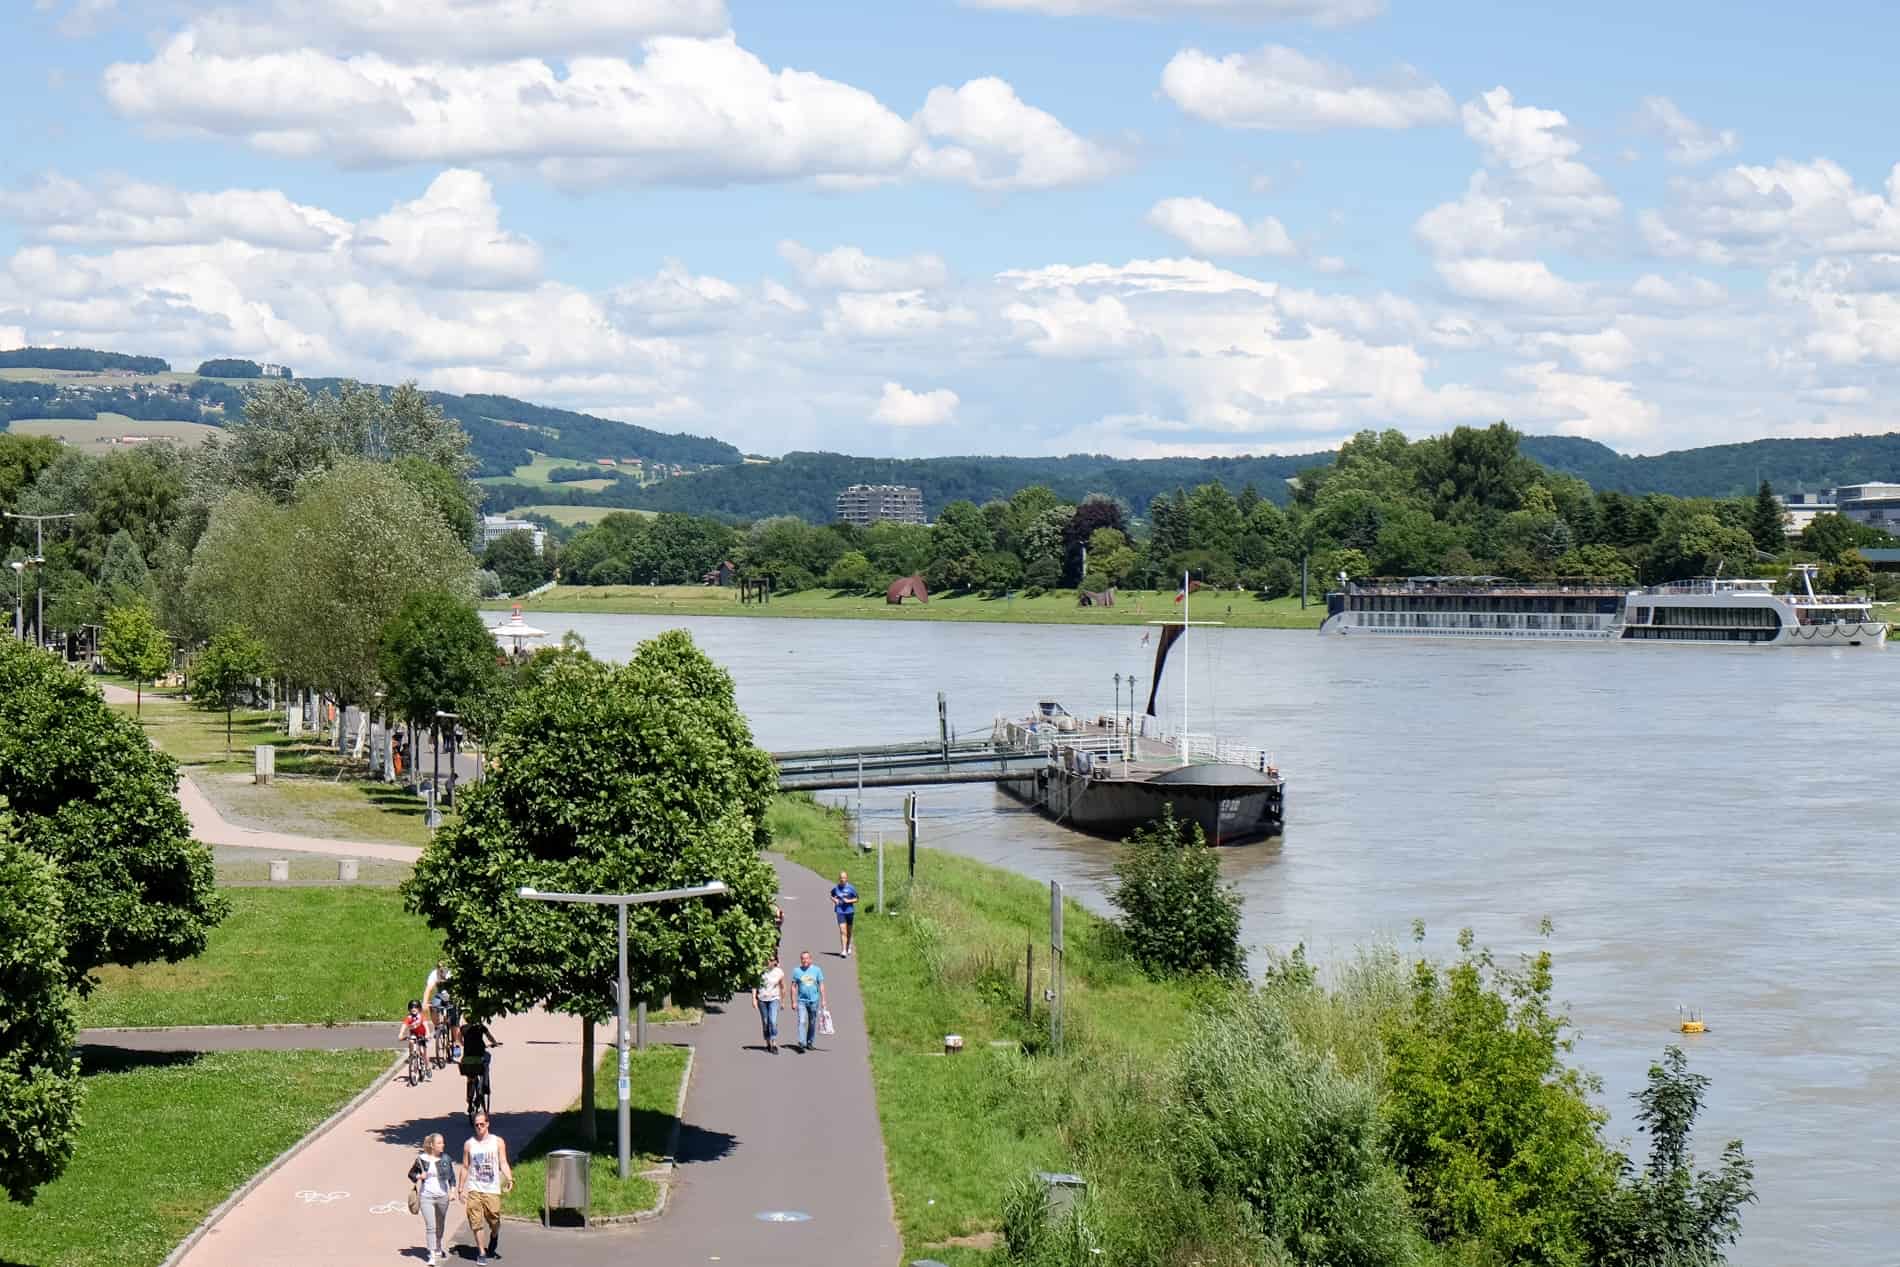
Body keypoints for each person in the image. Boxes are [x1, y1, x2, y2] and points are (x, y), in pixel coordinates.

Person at [458, 1112, 512, 1263]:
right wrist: (461, 1188)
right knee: (475, 1221)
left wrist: (509, 1178)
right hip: (475, 1188)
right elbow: (465, 1166)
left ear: (487, 1124)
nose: (479, 1127)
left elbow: (503, 1162)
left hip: (492, 1188)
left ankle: (494, 1235)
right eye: (476, 1125)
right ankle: (481, 1252)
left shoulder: (497, 1141)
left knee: (494, 1218)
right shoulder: (469, 1144)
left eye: (482, 1124)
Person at [408, 1131, 458, 1264]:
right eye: (439, 1143)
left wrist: (452, 1192)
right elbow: (411, 1174)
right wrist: (419, 1176)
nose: (443, 1145)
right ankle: (431, 1254)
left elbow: (452, 1178)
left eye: (443, 1142)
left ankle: (438, 1244)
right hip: (426, 1197)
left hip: (442, 1197)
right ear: (432, 1145)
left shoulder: (446, 1159)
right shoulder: (421, 1159)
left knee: (440, 1225)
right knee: (431, 1226)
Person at [790, 950, 827, 1053]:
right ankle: (801, 1042)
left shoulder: (817, 970)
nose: (804, 960)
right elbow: (793, 987)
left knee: (812, 1022)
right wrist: (793, 1001)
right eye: (802, 958)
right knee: (802, 1021)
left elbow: (821, 985)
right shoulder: (797, 971)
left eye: (806, 958)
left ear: (810, 959)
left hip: (814, 1001)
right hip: (801, 1000)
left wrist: (824, 1000)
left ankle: (809, 1041)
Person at [460, 1016, 501, 1108]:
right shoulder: (481, 1027)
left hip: (466, 1059)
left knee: (470, 1076)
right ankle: (484, 1084)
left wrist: (464, 1044)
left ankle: (469, 1097)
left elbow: (459, 1039)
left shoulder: (463, 1028)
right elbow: (490, 1037)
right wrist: (495, 1043)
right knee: (487, 1059)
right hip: (479, 1057)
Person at [755, 954, 786, 1053]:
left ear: (775, 962)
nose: (769, 961)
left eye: (771, 960)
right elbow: (754, 984)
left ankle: (774, 1043)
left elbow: (783, 987)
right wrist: (753, 999)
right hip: (762, 999)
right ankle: (767, 1042)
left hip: (774, 999)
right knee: (765, 1022)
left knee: (772, 1021)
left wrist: (782, 1001)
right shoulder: (760, 970)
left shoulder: (779, 972)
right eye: (767, 959)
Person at [829, 871, 859, 957]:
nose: (843, 879)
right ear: (839, 879)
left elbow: (857, 899)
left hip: (849, 911)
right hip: (840, 911)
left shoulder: (851, 888)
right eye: (841, 878)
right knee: (843, 931)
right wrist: (834, 900)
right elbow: (831, 895)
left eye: (844, 878)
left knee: (849, 931)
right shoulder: (836, 888)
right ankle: (843, 950)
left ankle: (848, 945)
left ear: (847, 878)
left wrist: (848, 901)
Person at [398, 1000, 429, 1074]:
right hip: (414, 1035)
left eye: (416, 1007)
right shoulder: (408, 1018)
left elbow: (426, 1026)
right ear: (409, 1009)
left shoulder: (421, 1017)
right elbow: (404, 1026)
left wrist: (427, 1034)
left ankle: (427, 1068)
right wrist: (401, 1034)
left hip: (422, 1035)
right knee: (411, 1041)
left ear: (419, 1009)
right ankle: (411, 1055)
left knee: (422, 1052)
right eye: (411, 1007)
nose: (413, 1009)